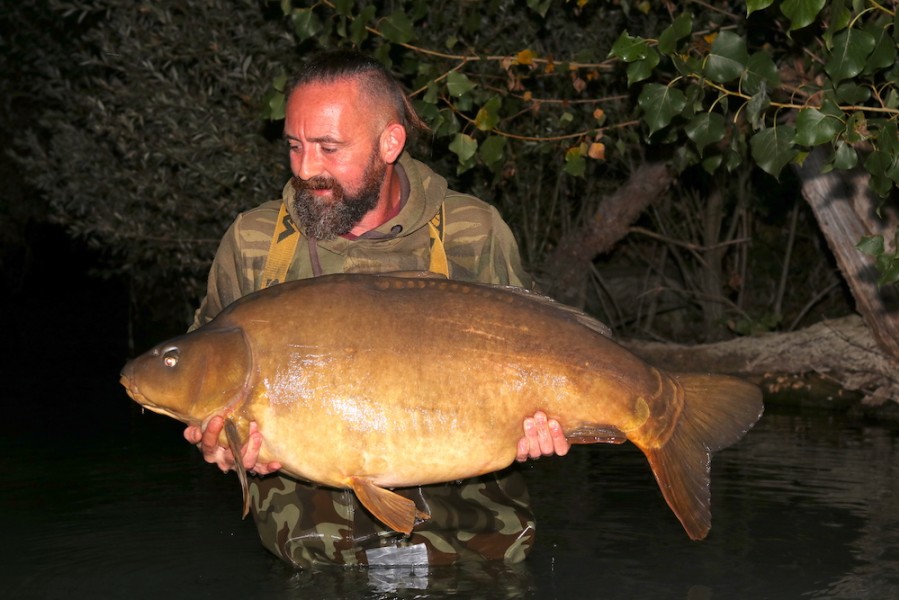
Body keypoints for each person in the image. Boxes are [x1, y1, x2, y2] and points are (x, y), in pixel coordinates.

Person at [183, 49, 569, 569]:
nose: (305, 168)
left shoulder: (472, 233)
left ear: (390, 142)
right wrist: (218, 443)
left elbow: (541, 357)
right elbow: (204, 372)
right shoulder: (253, 244)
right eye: (295, 146)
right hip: (312, 554)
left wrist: (541, 426)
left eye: (329, 147)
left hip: (472, 547)